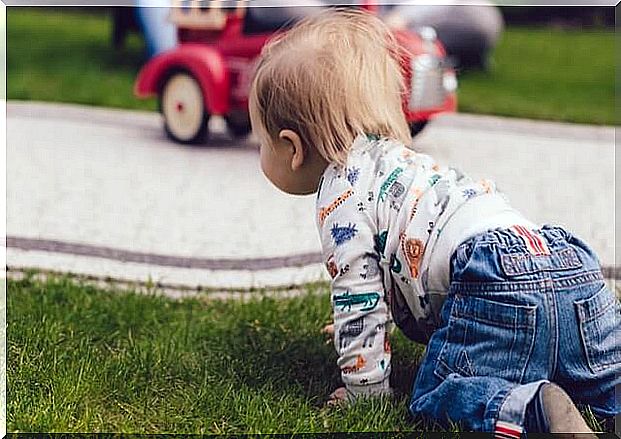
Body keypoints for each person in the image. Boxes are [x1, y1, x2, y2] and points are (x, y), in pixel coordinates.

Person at [247, 9, 619, 436]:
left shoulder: (339, 196)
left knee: (439, 393)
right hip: (565, 261)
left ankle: (529, 408)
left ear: (292, 148)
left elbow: (358, 298)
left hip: (493, 278)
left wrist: (363, 386)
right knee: (601, 376)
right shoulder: (401, 164)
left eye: (261, 142)